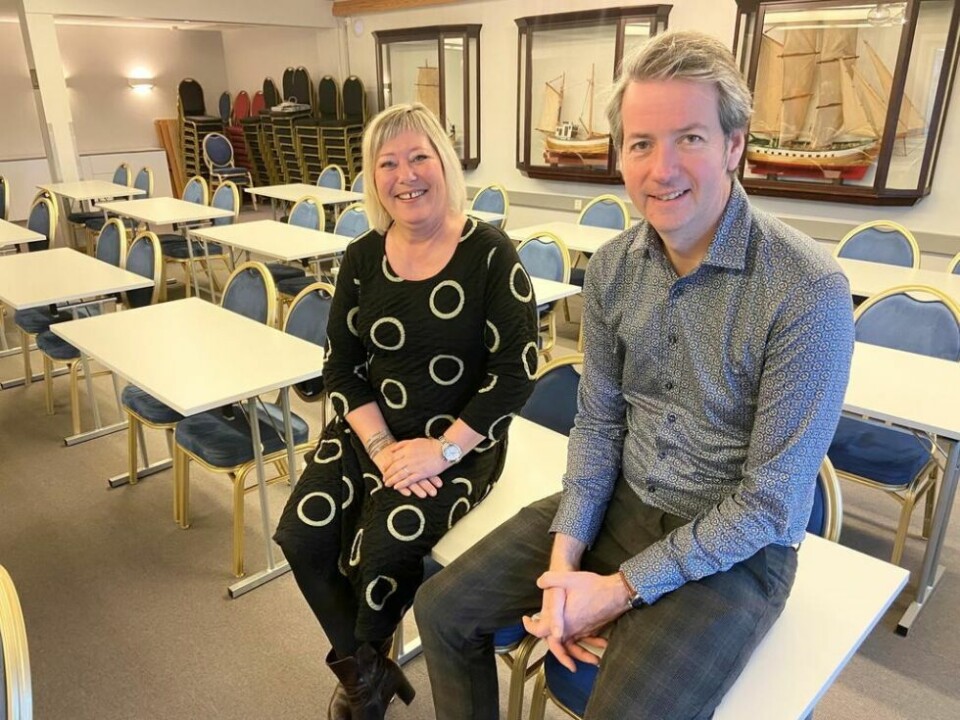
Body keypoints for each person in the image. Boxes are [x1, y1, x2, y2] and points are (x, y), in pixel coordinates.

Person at [415, 30, 855, 719]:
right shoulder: (615, 267)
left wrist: (615, 589)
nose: (661, 168)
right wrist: (564, 568)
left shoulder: (806, 289)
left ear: (735, 145)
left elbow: (771, 503)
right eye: (641, 143)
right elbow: (598, 423)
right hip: (621, 502)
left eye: (691, 138)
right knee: (441, 610)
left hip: (738, 551)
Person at [273, 103, 539, 719]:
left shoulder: (491, 253)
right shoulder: (363, 256)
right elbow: (340, 368)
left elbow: (515, 373)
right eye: (387, 162)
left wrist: (441, 450)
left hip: (461, 439)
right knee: (301, 537)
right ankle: (368, 670)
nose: (405, 174)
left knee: (382, 552)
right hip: (372, 431)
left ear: (444, 164)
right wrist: (382, 448)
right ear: (374, 178)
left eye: (419, 156)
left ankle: (362, 676)